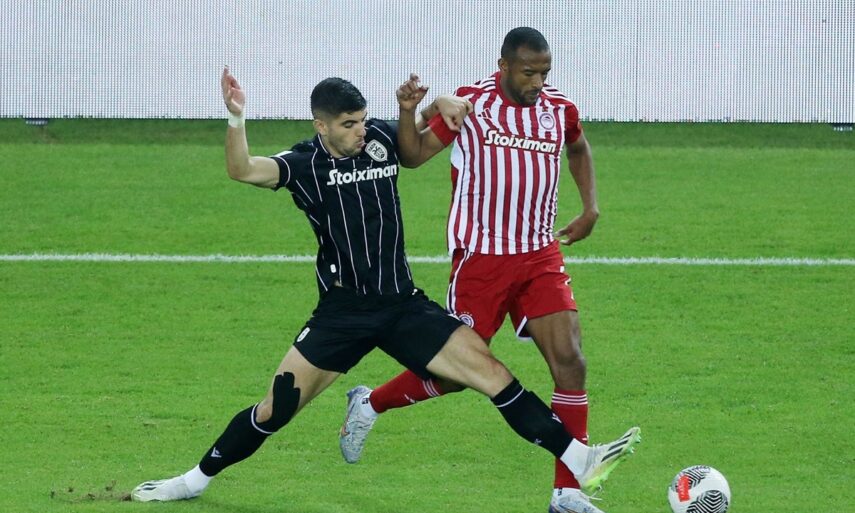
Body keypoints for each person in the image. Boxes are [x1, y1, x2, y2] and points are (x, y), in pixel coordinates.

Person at [129, 67, 640, 505]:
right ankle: (193, 481)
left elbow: (417, 136)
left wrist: (436, 101)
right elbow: (241, 169)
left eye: (361, 120)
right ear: (321, 125)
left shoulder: (377, 140)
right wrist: (236, 116)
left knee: (493, 375)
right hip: (342, 315)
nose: (359, 131)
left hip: (402, 306)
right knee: (275, 408)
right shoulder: (304, 165)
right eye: (348, 124)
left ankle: (581, 458)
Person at [338, 28, 633, 513]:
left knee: (571, 362)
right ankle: (369, 403)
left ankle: (567, 495)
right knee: (456, 375)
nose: (537, 82)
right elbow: (412, 157)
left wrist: (591, 207)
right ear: (504, 66)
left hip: (539, 255)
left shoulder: (559, 109)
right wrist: (413, 111)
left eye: (544, 72)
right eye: (528, 72)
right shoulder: (470, 105)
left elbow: (577, 147)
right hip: (481, 259)